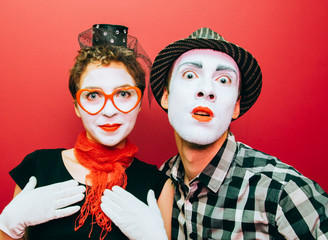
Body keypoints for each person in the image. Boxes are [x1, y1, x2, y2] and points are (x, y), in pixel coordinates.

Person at [101, 27, 328, 239]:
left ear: (236, 106)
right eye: (190, 75)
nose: (207, 90)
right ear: (166, 96)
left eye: (223, 80)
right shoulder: (162, 183)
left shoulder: (284, 192)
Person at [0, 24, 173, 240]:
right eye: (92, 96)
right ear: (77, 106)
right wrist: (9, 226)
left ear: (138, 103)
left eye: (124, 93)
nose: (109, 111)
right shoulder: (39, 167)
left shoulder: (157, 185)